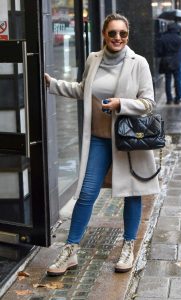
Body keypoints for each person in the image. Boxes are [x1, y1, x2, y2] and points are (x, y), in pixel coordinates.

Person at [45, 13, 160, 276]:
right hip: (98, 138)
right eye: (112, 33)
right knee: (86, 194)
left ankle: (128, 246)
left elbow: (149, 103)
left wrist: (122, 104)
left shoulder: (138, 63)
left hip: (127, 140)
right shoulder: (93, 59)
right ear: (104, 35)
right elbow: (83, 89)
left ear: (127, 36)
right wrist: (53, 85)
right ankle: (70, 250)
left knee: (132, 193)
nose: (118, 38)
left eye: (123, 33)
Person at [158, 22, 181, 104]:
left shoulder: (163, 38)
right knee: (177, 80)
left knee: (168, 80)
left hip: (166, 61)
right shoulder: (179, 38)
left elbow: (160, 51)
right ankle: (178, 98)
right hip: (176, 61)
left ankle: (169, 99)